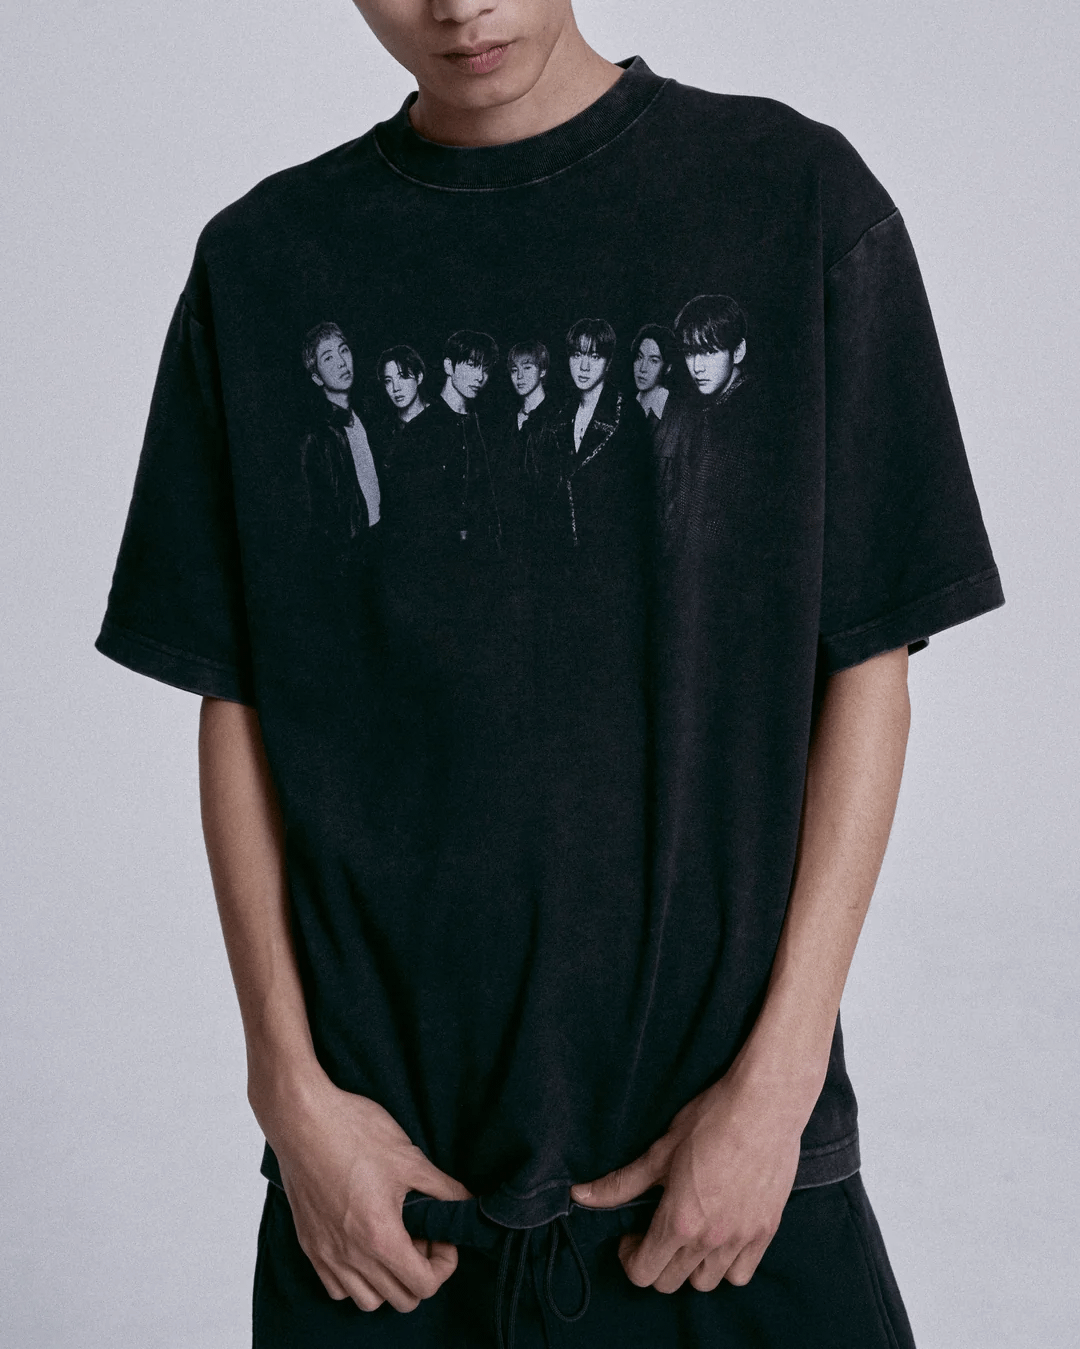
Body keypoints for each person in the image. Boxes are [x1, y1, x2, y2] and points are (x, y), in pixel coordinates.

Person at [95, 3, 1005, 1346]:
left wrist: (778, 1088)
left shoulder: (794, 200)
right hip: (385, 1209)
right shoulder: (264, 262)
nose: (458, 4)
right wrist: (288, 1093)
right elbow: (232, 695)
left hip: (726, 1175)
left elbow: (871, 659)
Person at [301, 321, 381, 537]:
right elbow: (316, 517)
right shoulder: (317, 437)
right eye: (328, 358)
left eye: (343, 350)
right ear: (317, 378)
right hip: (351, 550)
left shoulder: (369, 417)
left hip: (383, 540)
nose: (341, 363)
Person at [630, 321, 678, 429]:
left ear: (668, 367)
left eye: (653, 361)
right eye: (639, 357)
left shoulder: (679, 414)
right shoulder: (624, 406)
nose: (642, 368)